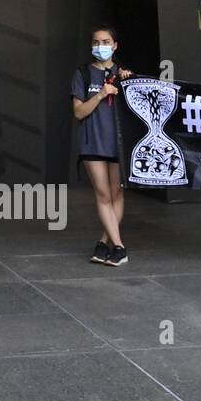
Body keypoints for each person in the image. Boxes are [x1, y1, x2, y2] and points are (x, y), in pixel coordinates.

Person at [71, 24, 134, 267]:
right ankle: (119, 247)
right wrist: (99, 95)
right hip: (92, 142)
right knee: (103, 194)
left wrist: (128, 83)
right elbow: (78, 112)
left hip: (118, 143)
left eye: (106, 42)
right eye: (97, 42)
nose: (101, 47)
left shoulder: (124, 74)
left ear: (115, 45)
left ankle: (104, 242)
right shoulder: (83, 74)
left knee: (116, 194)